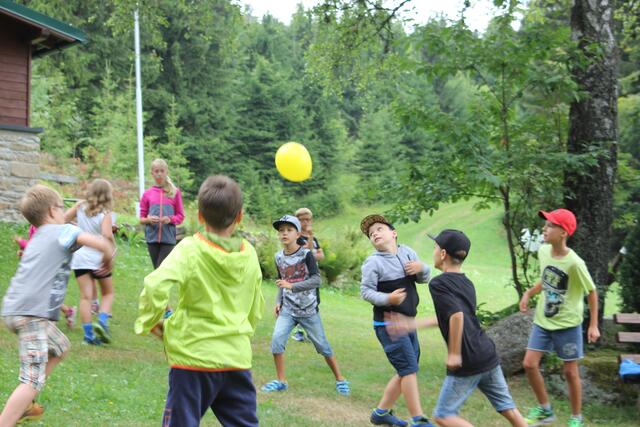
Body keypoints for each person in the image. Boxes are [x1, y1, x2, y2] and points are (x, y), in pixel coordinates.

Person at [135, 175, 264, 427]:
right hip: (235, 358)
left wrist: (150, 321)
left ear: (200, 216)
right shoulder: (248, 254)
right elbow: (255, 306)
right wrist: (240, 333)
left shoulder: (190, 249)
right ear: (239, 216)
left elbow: (155, 284)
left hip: (193, 359)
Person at [388, 229, 526, 427]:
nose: (434, 252)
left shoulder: (439, 283)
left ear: (443, 254)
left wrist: (454, 353)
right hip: (487, 354)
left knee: (443, 415)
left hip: (467, 359)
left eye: (435, 248)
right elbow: (450, 316)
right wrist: (411, 324)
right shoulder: (466, 282)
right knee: (508, 408)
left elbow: (457, 315)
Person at [0, 185, 114, 426]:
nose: (66, 213)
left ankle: (26, 405)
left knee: (60, 346)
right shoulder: (62, 230)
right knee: (30, 380)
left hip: (16, 310)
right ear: (52, 211)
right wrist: (106, 258)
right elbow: (103, 245)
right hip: (33, 314)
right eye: (63, 208)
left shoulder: (39, 234)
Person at [519, 209, 600, 427]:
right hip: (543, 321)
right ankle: (545, 410)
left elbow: (591, 292)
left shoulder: (575, 263)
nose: (545, 229)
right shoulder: (544, 252)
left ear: (563, 232)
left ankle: (576, 418)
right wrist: (529, 293)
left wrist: (593, 325)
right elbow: (546, 279)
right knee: (529, 364)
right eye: (545, 225)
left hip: (567, 324)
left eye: (550, 226)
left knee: (570, 372)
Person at [261, 215, 350, 396]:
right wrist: (279, 301)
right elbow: (282, 282)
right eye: (281, 230)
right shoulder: (278, 257)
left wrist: (292, 286)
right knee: (277, 341)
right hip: (288, 309)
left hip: (308, 310)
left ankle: (340, 379)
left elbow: (316, 280)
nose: (284, 233)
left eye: (289, 230)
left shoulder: (306, 254)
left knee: (322, 346)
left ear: (297, 234)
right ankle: (281, 381)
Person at [359, 214, 434, 427]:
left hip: (409, 322)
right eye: (371, 234)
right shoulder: (373, 262)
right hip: (389, 326)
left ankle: (381, 413)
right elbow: (365, 292)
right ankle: (419, 419)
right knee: (408, 369)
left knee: (406, 369)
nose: (374, 234)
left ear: (393, 233)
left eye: (379, 229)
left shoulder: (408, 252)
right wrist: (387, 299)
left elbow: (424, 278)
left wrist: (422, 268)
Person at [66, 179, 116, 345]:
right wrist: (110, 254)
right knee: (108, 293)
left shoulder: (80, 207)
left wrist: (75, 226)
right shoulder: (105, 214)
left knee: (85, 298)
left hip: (80, 256)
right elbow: (107, 236)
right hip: (99, 257)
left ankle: (88, 336)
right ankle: (102, 321)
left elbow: (62, 219)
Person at [13, 224, 77, 329]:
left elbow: (40, 245)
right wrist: (24, 253)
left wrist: (22, 242)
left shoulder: (43, 225)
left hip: (48, 264)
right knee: (42, 291)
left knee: (43, 291)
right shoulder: (34, 225)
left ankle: (51, 319)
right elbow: (35, 247)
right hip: (41, 263)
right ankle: (67, 311)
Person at [139, 158, 185, 270]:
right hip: (152, 238)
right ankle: (158, 287)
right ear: (152, 173)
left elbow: (181, 216)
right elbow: (141, 218)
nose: (159, 174)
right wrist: (148, 220)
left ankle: (155, 287)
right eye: (156, 171)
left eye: (162, 171)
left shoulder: (175, 192)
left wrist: (170, 219)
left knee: (161, 269)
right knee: (157, 270)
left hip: (168, 239)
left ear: (166, 172)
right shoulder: (147, 194)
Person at [291, 207, 325, 342]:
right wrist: (310, 239)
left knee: (315, 302)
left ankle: (311, 332)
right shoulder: (296, 237)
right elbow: (308, 254)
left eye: (308, 219)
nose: (306, 222)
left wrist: (312, 247)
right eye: (303, 220)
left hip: (313, 275)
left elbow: (321, 255)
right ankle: (299, 332)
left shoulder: (314, 238)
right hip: (301, 276)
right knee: (302, 303)